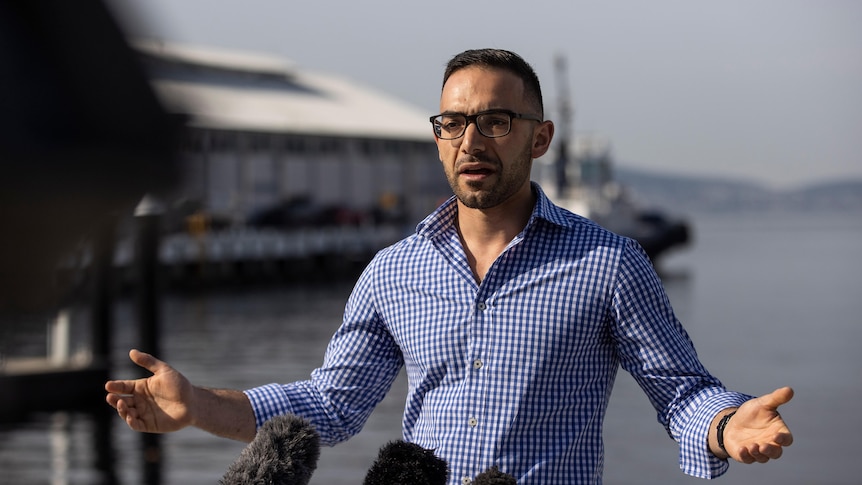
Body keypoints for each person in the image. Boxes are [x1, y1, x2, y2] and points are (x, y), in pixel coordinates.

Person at [106, 48, 793, 484]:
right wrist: (197, 405)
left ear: (540, 137)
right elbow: (330, 404)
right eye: (453, 122)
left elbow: (679, 390)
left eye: (497, 121)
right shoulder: (392, 271)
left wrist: (727, 424)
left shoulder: (607, 263)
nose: (472, 140)